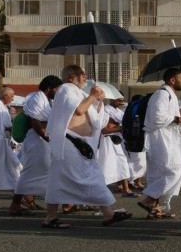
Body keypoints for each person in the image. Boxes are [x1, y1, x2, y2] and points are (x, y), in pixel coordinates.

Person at [43, 65, 131, 228]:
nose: (85, 78)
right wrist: (92, 96)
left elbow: (94, 118)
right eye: (81, 75)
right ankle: (52, 217)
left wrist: (98, 101)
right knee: (75, 178)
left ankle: (107, 214)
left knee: (84, 176)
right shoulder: (66, 89)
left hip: (81, 144)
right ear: (71, 77)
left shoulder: (80, 93)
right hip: (69, 143)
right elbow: (78, 110)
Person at [137, 68, 181, 219]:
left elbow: (169, 118)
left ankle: (155, 209)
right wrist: (179, 119)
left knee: (158, 175)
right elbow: (156, 118)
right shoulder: (162, 94)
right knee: (175, 170)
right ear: (172, 80)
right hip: (160, 140)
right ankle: (148, 199)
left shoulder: (170, 95)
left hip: (167, 139)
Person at [8, 75, 63, 215]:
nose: (58, 92)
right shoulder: (37, 98)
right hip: (37, 140)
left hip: (42, 140)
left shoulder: (46, 100)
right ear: (49, 88)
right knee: (29, 173)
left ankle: (31, 201)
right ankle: (15, 205)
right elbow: (36, 123)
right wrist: (49, 139)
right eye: (57, 89)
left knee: (46, 172)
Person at [98, 97, 138, 197]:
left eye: (121, 101)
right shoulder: (106, 111)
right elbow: (103, 130)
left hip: (118, 141)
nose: (120, 103)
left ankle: (126, 189)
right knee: (106, 167)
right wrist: (118, 128)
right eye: (118, 100)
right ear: (112, 99)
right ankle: (101, 192)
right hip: (108, 141)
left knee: (123, 164)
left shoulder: (118, 112)